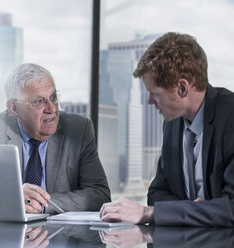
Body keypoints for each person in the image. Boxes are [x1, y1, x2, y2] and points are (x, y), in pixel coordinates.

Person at [100, 32, 234, 226]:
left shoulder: (230, 116)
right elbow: (156, 193)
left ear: (182, 88)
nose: (149, 101)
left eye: (155, 93)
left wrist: (149, 214)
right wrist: (196, 210)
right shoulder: (172, 122)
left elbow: (230, 209)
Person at [0, 63, 111, 213]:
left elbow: (99, 196)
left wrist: (41, 204)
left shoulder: (79, 130)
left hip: (60, 234)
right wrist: (11, 198)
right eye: (38, 102)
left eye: (53, 98)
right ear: (14, 109)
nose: (52, 109)